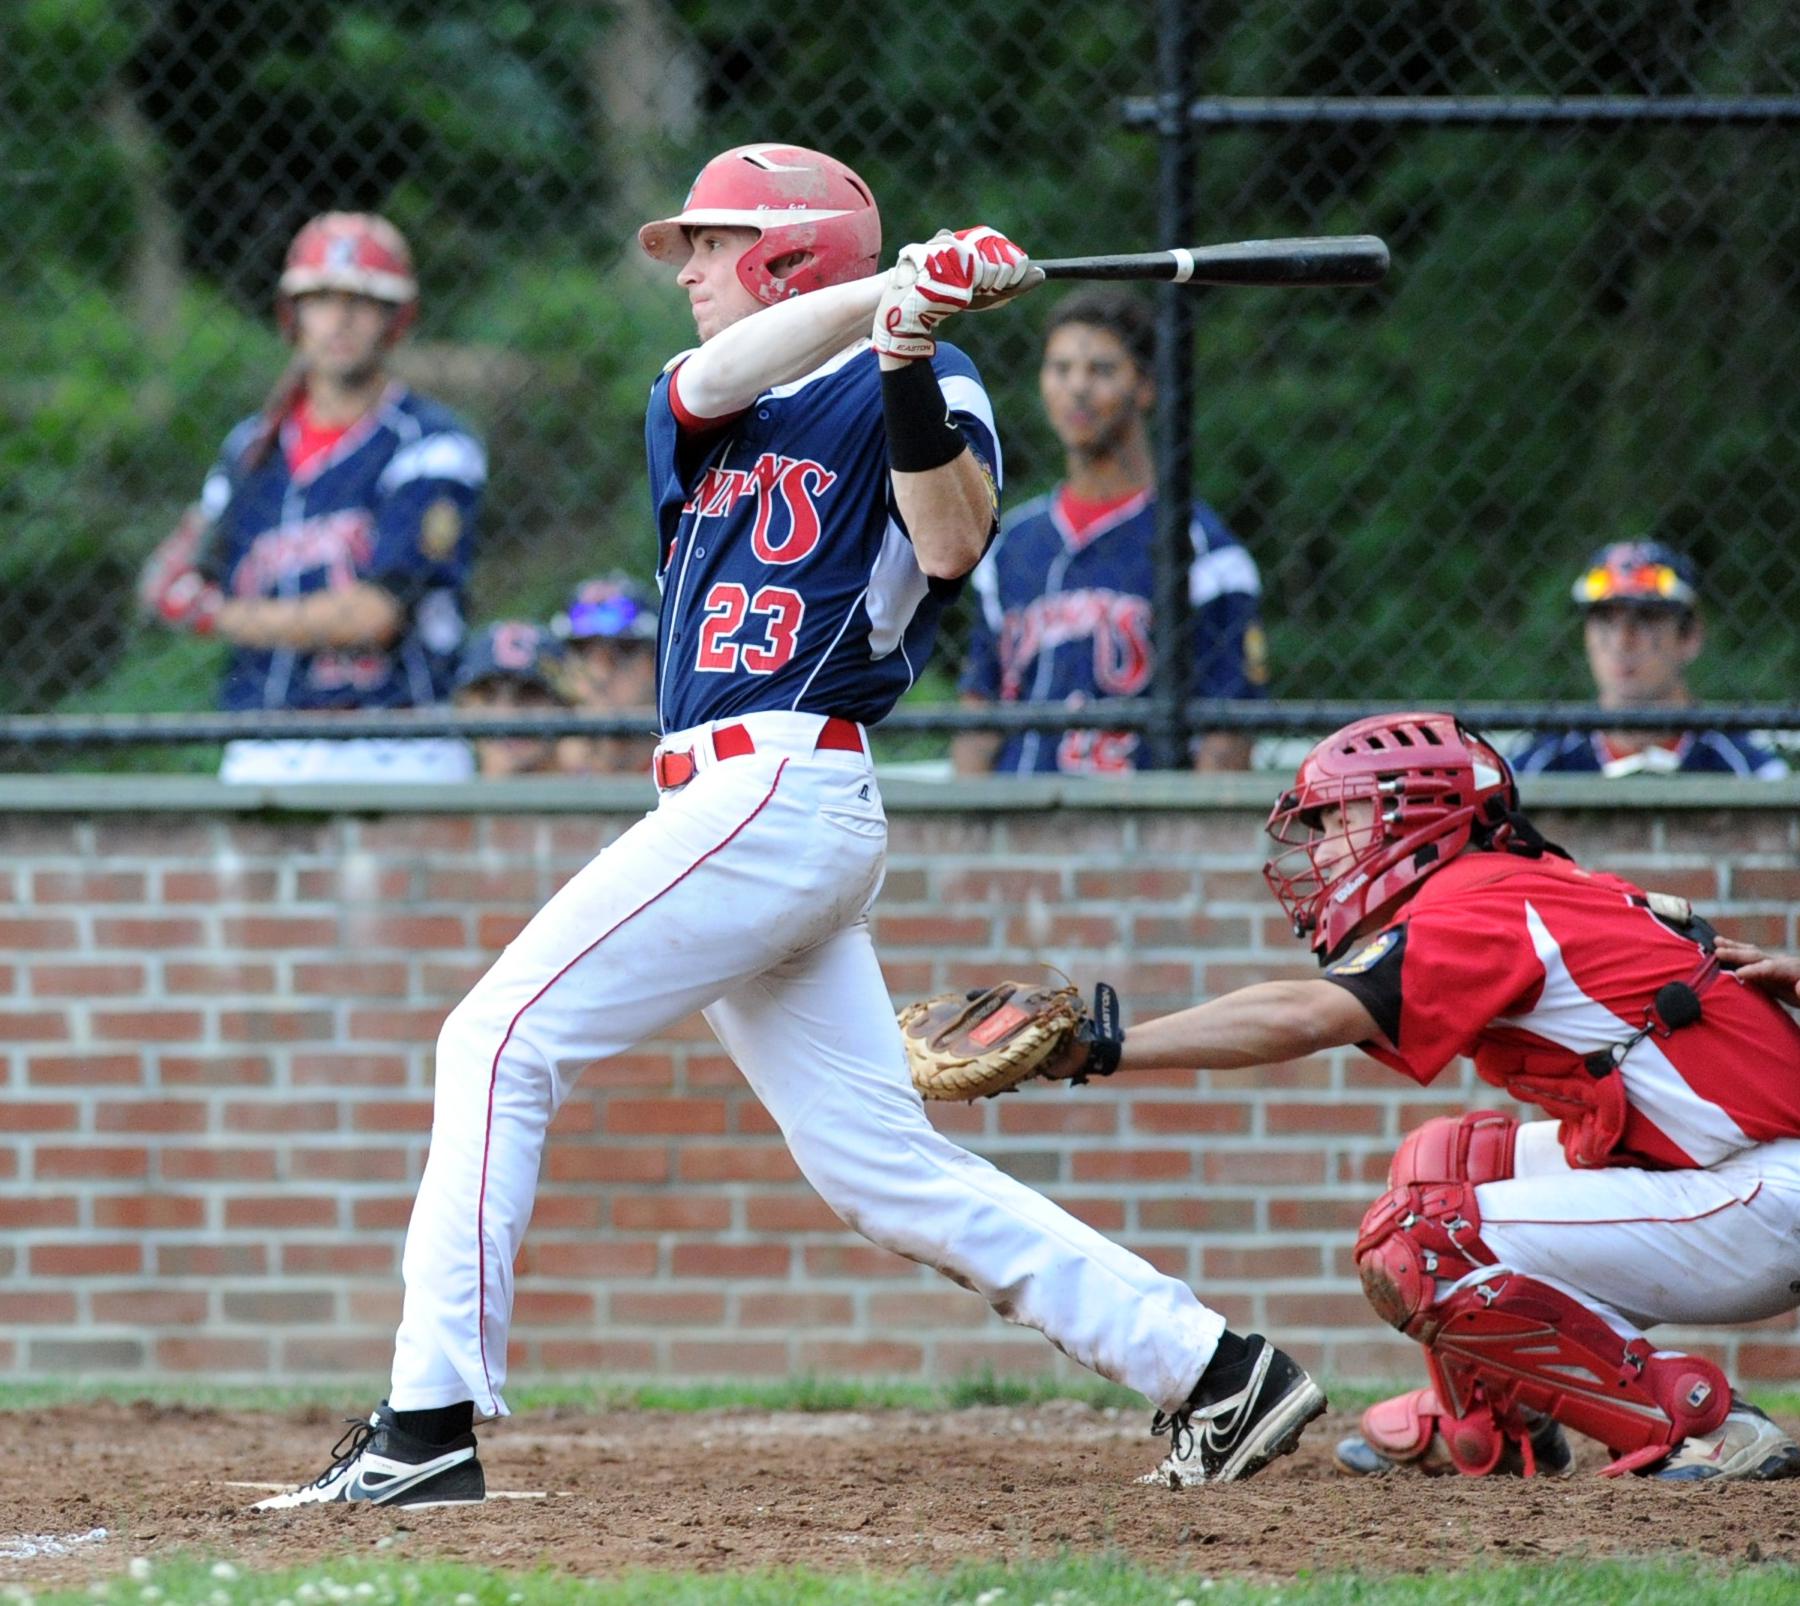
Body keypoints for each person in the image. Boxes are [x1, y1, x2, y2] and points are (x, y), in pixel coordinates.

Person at [252, 143, 1323, 1511]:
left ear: (784, 251)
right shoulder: (701, 405)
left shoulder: (928, 388)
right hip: (733, 801)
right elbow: (712, 377)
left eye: (712, 242)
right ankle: (1217, 1367)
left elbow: (950, 544)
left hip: (785, 779)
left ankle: (425, 1422)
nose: (687, 268)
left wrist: (908, 343)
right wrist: (898, 284)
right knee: (884, 1172)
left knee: (494, 1038)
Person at [1032, 711, 1800, 1483]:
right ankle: (1497, 1422)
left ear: (1412, 812)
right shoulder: (1512, 884)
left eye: (1338, 816)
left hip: (1764, 1195)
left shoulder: (1481, 901)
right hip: (1731, 1178)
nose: (1323, 845)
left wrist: (1104, 1047)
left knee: (1418, 1241)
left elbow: (1304, 1016)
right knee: (1440, 1165)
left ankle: (1700, 1423)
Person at [138, 211, 484, 784]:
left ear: (396, 319)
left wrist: (214, 615)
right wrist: (172, 573)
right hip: (263, 736)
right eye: (321, 298)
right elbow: (183, 562)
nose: (340, 319)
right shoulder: (250, 448)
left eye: (362, 300)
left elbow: (373, 616)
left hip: (397, 738)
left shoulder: (434, 446)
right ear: (292, 314)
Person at [952, 288, 1267, 776]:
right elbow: (980, 713)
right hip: (1016, 827)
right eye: (1060, 369)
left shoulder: (1203, 551)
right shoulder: (1011, 544)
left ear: (1145, 386)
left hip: (1134, 829)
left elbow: (1225, 742)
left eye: (1100, 369)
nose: (1076, 386)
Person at [1514, 540, 1787, 779]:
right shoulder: (1538, 765)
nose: (1622, 641)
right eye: (1605, 620)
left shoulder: (1746, 769)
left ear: (1690, 636)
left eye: (1645, 618)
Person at [550, 574, 659, 775]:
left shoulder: (689, 752)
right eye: (583, 652)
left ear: (655, 661)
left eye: (622, 652)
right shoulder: (548, 763)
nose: (600, 673)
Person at [452, 620, 587, 781]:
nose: (506, 714)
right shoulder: (439, 799)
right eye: (488, 697)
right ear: (463, 709)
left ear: (565, 706)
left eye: (528, 694)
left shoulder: (602, 795)